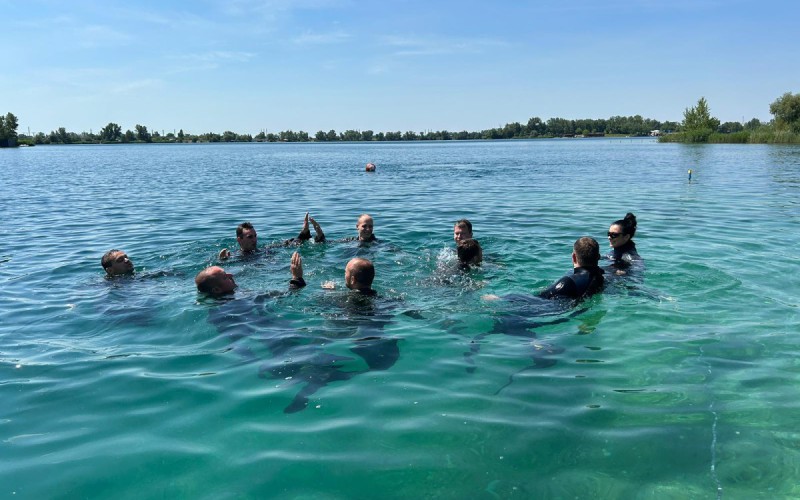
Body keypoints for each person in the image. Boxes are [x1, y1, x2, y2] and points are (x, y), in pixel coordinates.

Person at [219, 213, 325, 259]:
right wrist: (223, 261)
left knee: (290, 243)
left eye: (255, 236)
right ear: (239, 240)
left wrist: (303, 234)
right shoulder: (235, 256)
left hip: (266, 257)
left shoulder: (264, 249)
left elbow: (288, 245)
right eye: (250, 237)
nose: (254, 239)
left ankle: (313, 235)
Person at [540, 237, 605, 300]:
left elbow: (541, 300)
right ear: (598, 257)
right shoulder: (600, 278)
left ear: (574, 257)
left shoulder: (567, 282)